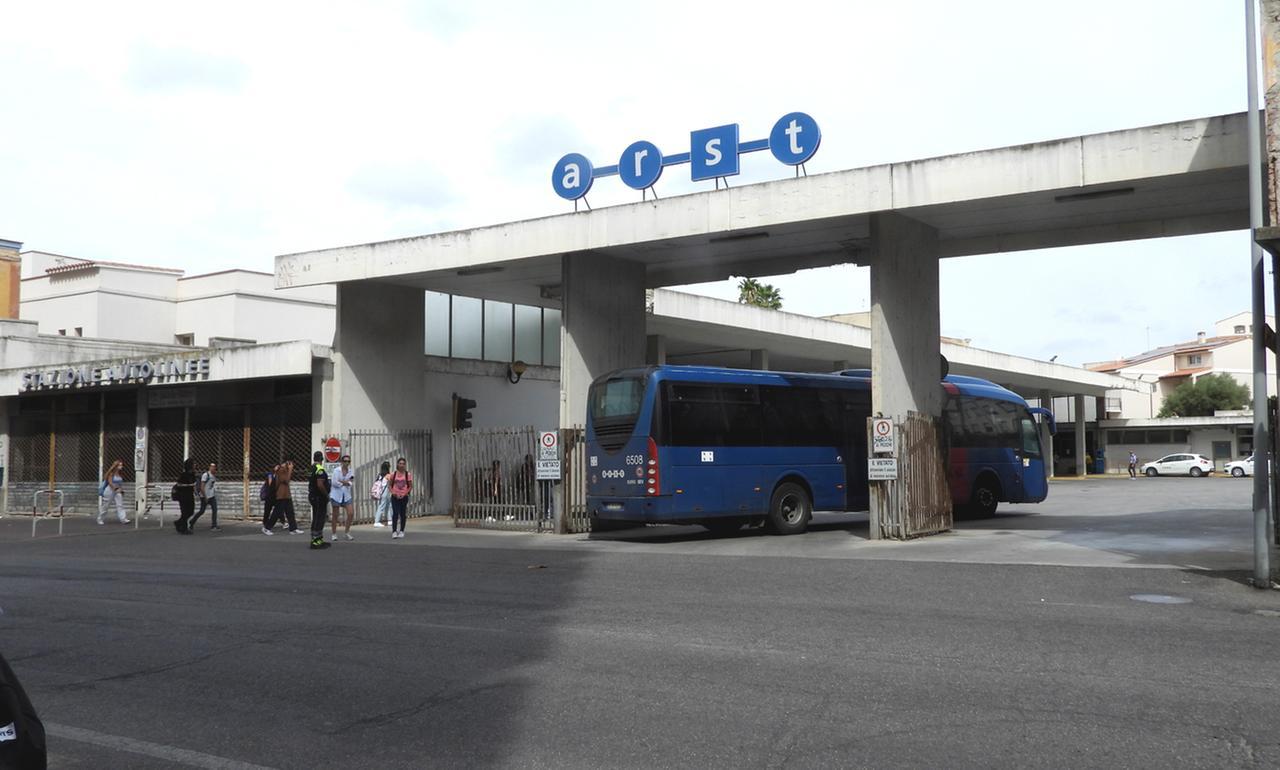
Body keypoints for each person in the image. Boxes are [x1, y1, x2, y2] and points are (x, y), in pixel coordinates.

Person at [264, 458, 302, 535]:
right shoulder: (280, 470)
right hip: (281, 495)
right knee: (276, 513)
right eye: (289, 463)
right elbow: (286, 480)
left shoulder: (285, 470)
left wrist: (289, 470)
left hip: (287, 495)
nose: (290, 465)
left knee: (290, 513)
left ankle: (293, 528)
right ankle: (267, 528)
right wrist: (290, 470)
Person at [307, 451, 331, 549]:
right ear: (321, 459)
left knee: (317, 518)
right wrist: (326, 495)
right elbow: (320, 485)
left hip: (313, 496)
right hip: (319, 497)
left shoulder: (312, 468)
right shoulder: (319, 469)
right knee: (319, 519)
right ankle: (315, 542)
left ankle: (318, 539)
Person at [329, 454, 355, 541]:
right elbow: (334, 483)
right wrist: (345, 482)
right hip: (336, 495)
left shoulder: (351, 471)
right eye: (345, 461)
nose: (347, 463)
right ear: (341, 462)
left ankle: (347, 532)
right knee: (335, 515)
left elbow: (351, 482)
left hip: (346, 495)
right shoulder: (336, 471)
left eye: (348, 461)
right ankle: (334, 533)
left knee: (351, 513)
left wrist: (342, 482)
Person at [97, 459, 130, 525]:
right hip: (110, 491)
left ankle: (123, 519)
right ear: (116, 466)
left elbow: (120, 484)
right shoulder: (111, 473)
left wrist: (121, 490)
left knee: (120, 505)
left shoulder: (120, 474)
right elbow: (110, 483)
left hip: (117, 491)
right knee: (106, 505)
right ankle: (100, 519)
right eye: (120, 465)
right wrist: (115, 489)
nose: (121, 466)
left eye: (121, 465)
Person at [190, 461, 220, 530]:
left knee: (215, 509)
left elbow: (211, 485)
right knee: (202, 511)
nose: (213, 468)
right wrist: (205, 497)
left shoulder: (213, 475)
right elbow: (202, 487)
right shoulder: (205, 475)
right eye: (212, 466)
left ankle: (214, 525)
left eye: (214, 467)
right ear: (209, 467)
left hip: (211, 496)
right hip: (204, 496)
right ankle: (192, 522)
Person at [388, 456, 412, 539]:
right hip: (395, 497)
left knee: (402, 514)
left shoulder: (407, 474)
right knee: (395, 513)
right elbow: (389, 485)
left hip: (404, 497)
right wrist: (393, 493)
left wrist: (405, 493)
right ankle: (394, 531)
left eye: (403, 464)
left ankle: (402, 530)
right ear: (397, 464)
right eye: (400, 463)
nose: (402, 465)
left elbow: (410, 486)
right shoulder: (393, 474)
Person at [173, 458, 198, 534]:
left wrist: (196, 492)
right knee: (185, 512)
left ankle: (178, 522)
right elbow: (179, 484)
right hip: (183, 495)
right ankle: (184, 529)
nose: (195, 465)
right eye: (194, 464)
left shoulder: (193, 474)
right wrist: (188, 485)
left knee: (191, 511)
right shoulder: (183, 475)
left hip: (190, 495)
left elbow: (194, 484)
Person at [372, 460, 392, 527]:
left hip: (382, 492)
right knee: (382, 506)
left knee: (388, 505)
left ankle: (390, 520)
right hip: (385, 492)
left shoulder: (380, 475)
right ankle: (376, 521)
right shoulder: (388, 475)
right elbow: (392, 483)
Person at [260, 468, 277, 533]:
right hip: (269, 495)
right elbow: (270, 484)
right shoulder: (270, 474)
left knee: (278, 509)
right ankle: (265, 523)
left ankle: (283, 522)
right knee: (267, 510)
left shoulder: (277, 475)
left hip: (275, 496)